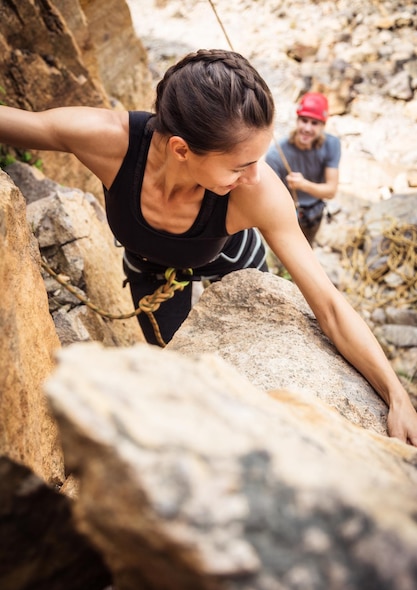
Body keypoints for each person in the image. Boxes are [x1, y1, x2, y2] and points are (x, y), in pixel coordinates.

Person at [0, 49, 416, 445]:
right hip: (150, 270)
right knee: (176, 370)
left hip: (232, 266)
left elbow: (328, 304)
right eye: (240, 165)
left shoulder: (259, 193)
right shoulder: (110, 142)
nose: (256, 176)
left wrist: (396, 395)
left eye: (260, 158)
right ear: (181, 149)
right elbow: (19, 123)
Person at [266, 92, 341, 244]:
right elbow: (269, 198)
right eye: (304, 120)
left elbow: (331, 191)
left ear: (323, 125)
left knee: (308, 245)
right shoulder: (276, 154)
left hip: (315, 211)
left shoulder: (332, 145)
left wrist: (303, 185)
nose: (307, 128)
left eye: (314, 123)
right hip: (287, 214)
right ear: (297, 120)